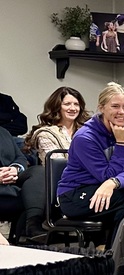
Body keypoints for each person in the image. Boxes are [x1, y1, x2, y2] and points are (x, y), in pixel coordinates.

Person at [55, 82, 124, 236]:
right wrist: (121, 144)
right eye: (115, 106)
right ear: (101, 108)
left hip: (112, 192)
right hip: (74, 196)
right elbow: (105, 175)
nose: (122, 112)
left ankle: (114, 258)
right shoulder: (85, 137)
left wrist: (113, 183)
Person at [20, 87, 90, 239]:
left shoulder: (88, 131)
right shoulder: (46, 133)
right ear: (57, 106)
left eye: (76, 104)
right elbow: (57, 164)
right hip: (62, 184)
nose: (72, 108)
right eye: (67, 104)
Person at [0, 126, 30, 241]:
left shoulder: (3, 132)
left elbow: (20, 158)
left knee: (37, 173)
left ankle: (34, 227)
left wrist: (15, 168)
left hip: (11, 189)